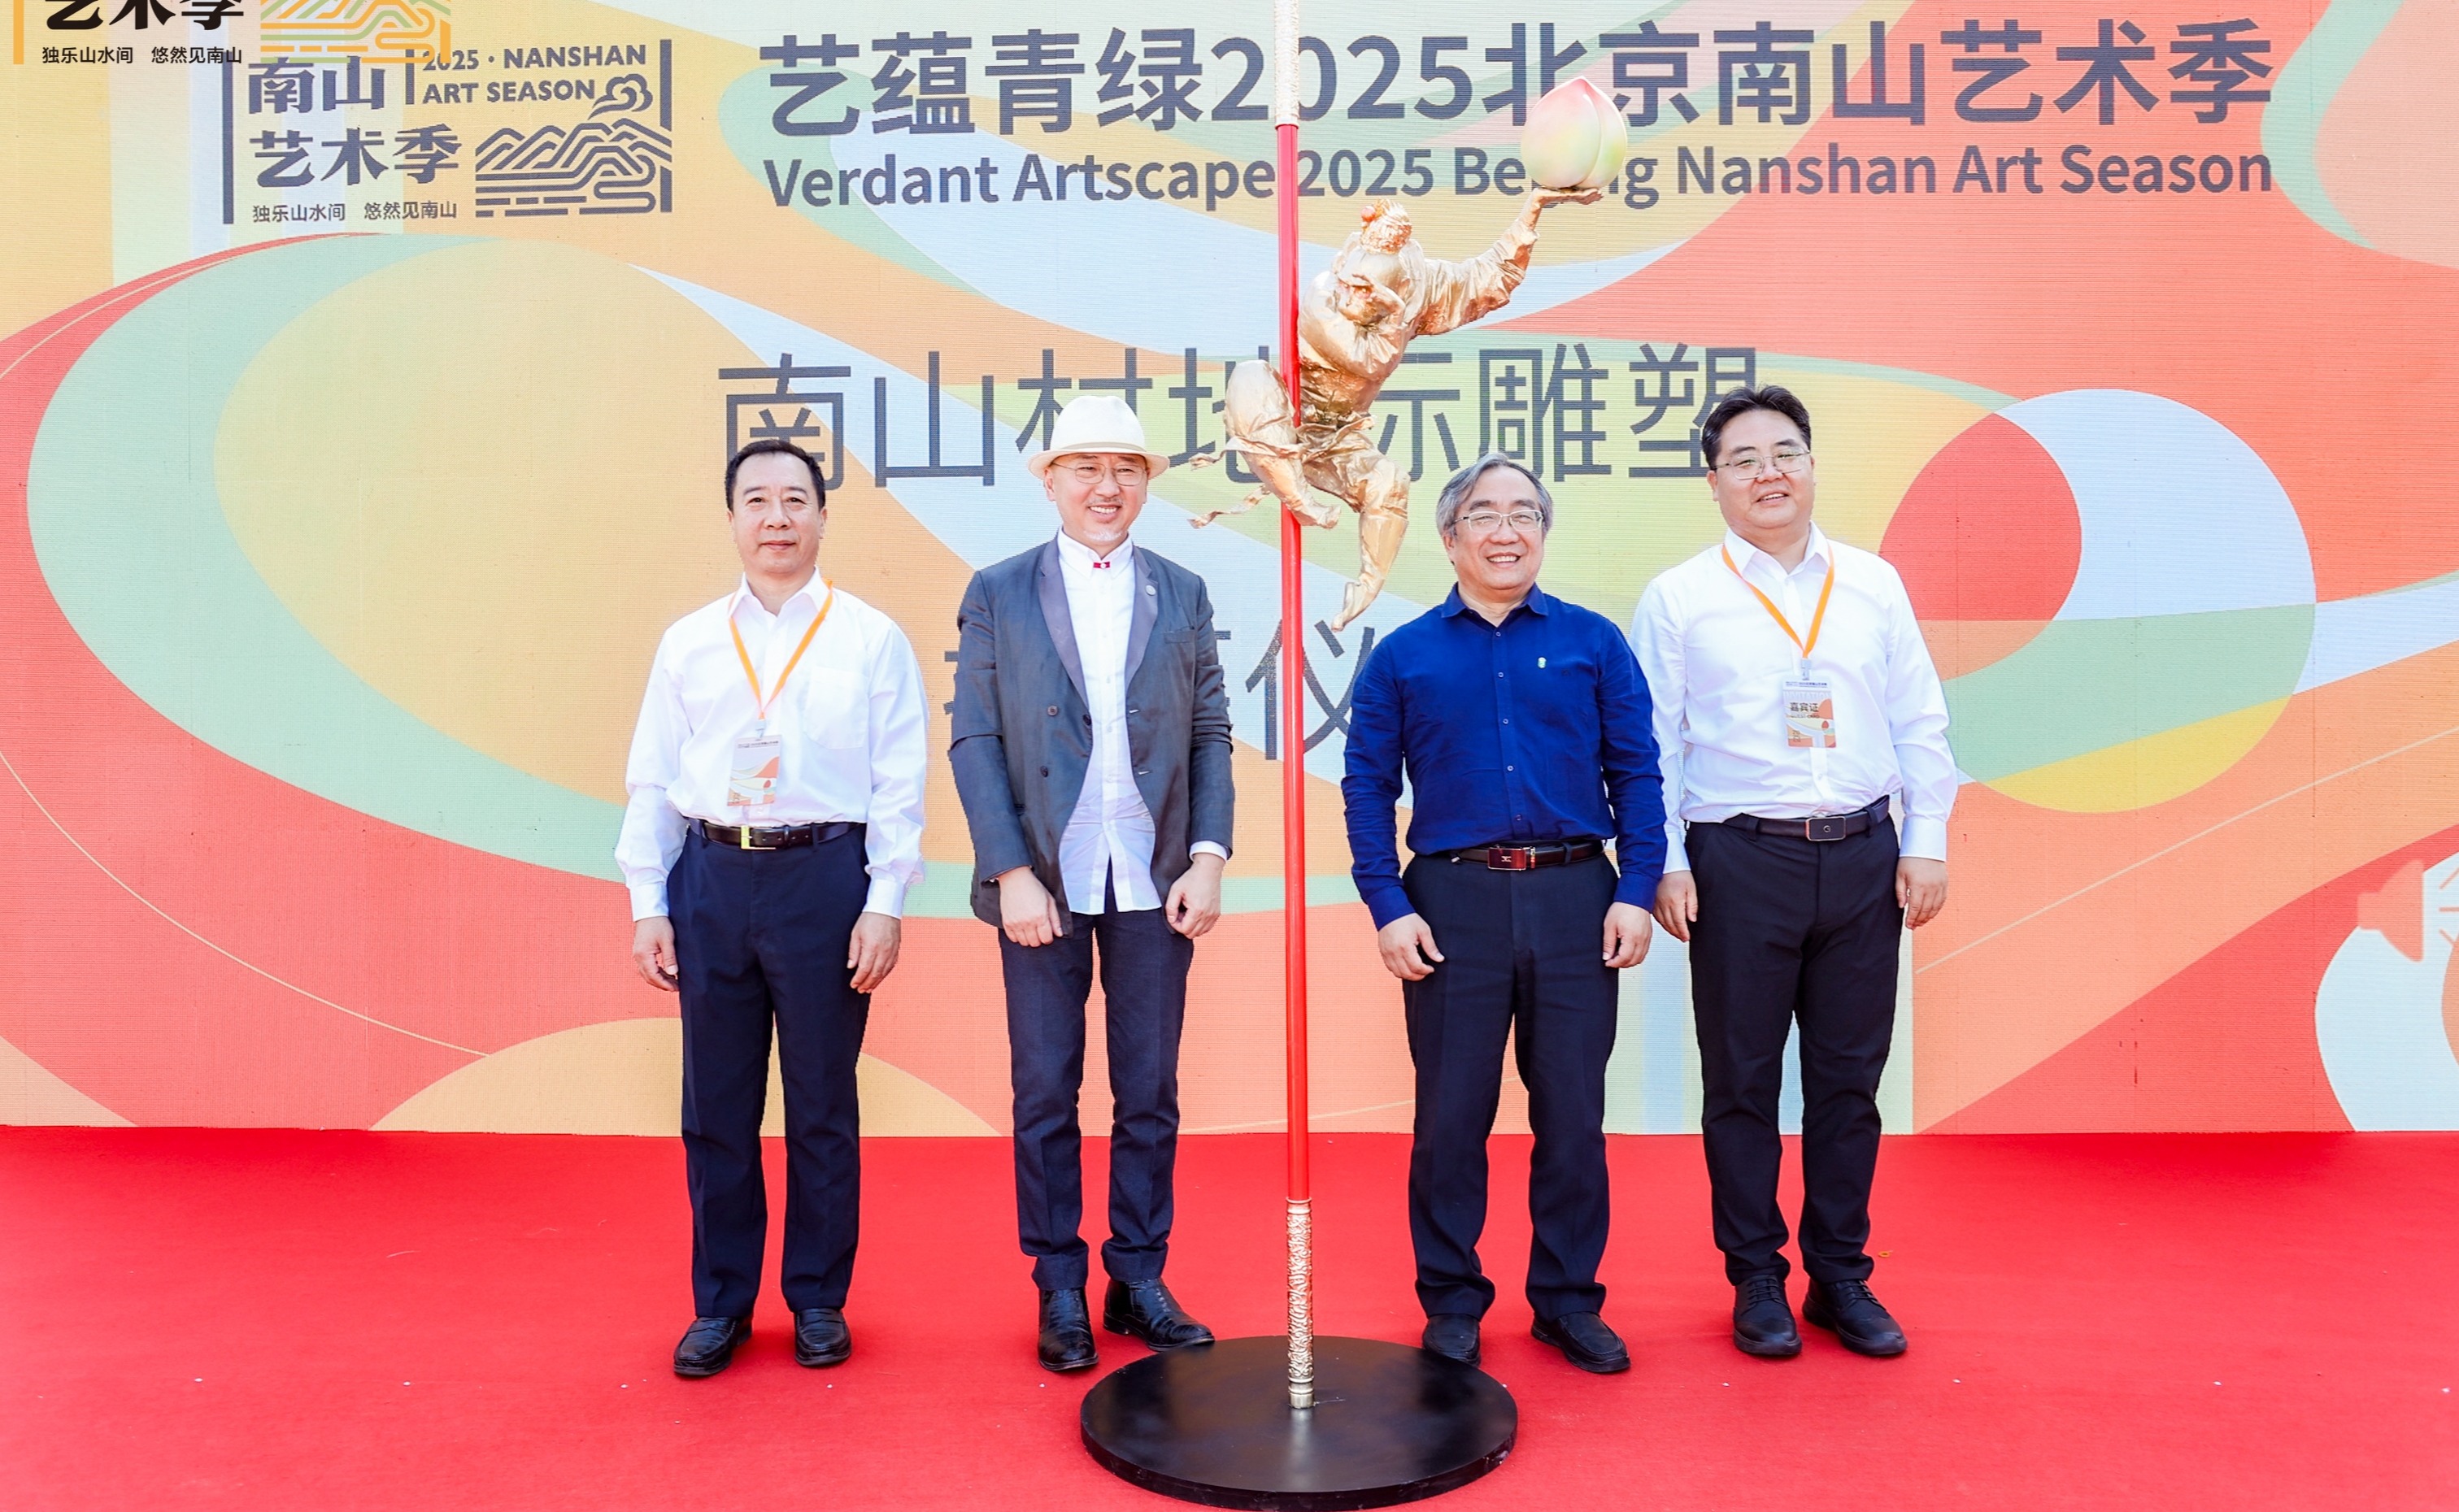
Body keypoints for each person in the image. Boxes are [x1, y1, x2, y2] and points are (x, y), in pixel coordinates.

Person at [1630, 385, 1954, 1361]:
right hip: (1738, 860)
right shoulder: (1679, 597)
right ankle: (1757, 1277)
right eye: (1743, 460)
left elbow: (1918, 716)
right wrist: (1666, 862)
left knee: (1850, 1082)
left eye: (1784, 453)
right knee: (1741, 1080)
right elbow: (1651, 746)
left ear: (1811, 466)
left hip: (1863, 856)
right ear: (1714, 482)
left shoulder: (1874, 584)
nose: (1767, 473)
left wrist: (1926, 836)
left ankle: (1841, 1276)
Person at [1342, 453, 1665, 1375]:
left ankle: (1567, 1301)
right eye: (1484, 515)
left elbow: (1637, 772)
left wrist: (1636, 889)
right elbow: (1366, 786)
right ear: (1450, 539)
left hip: (1576, 897)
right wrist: (1388, 904)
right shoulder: (1404, 655)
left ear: (1544, 533)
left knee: (1574, 1115)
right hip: (1453, 903)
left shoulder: (1595, 642)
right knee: (1451, 1118)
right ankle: (1451, 1300)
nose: (1506, 531)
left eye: (1525, 514)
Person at [616, 437, 929, 1379]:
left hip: (824, 878)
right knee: (715, 1104)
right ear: (732, 520)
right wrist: (648, 900)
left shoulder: (869, 637)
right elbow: (653, 779)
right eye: (757, 500)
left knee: (823, 1102)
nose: (777, 518)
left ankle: (818, 1300)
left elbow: (900, 780)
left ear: (823, 517)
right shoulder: (689, 642)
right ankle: (721, 1304)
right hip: (711, 877)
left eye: (796, 499)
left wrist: (885, 901)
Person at [949, 394, 1234, 1372]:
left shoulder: (1183, 592)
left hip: (1157, 874)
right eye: (1086, 468)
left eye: (1126, 469)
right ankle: (1059, 1283)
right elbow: (976, 737)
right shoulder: (998, 591)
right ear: (1051, 482)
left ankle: (1138, 1277)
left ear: (1146, 483)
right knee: (1044, 1087)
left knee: (1149, 1088)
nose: (1106, 487)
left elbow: (1208, 732)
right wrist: (1010, 872)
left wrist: (1209, 855)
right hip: (1043, 877)